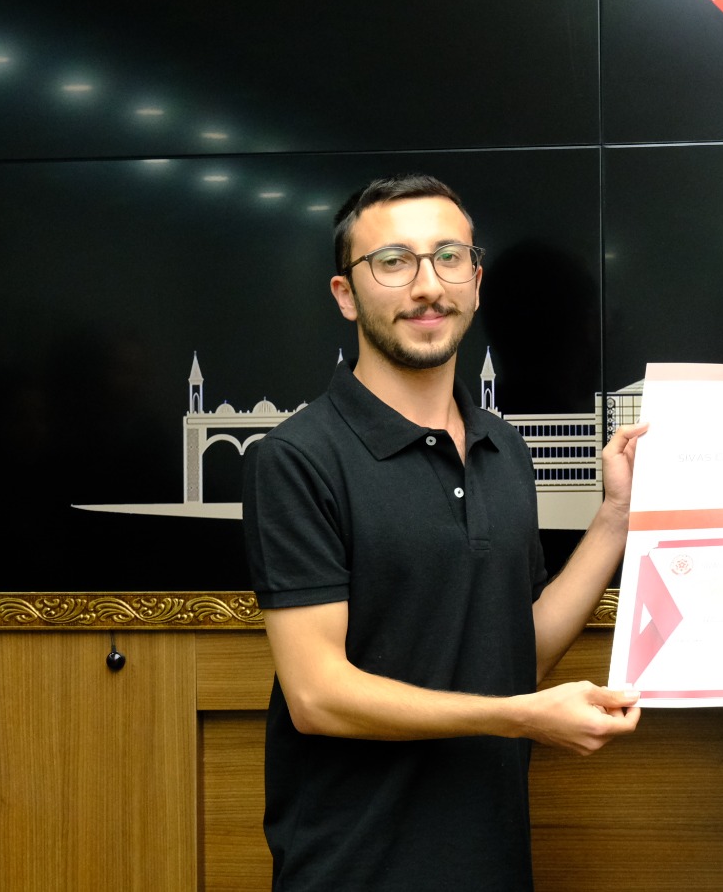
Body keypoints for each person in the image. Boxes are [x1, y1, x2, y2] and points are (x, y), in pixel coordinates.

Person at [242, 173, 644, 891]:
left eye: (448, 257)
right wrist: (520, 718)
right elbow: (318, 695)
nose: (427, 286)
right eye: (394, 262)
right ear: (345, 294)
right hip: (355, 869)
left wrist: (616, 517)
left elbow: (515, 651)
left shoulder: (503, 447)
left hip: (491, 860)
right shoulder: (297, 458)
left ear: (476, 282)